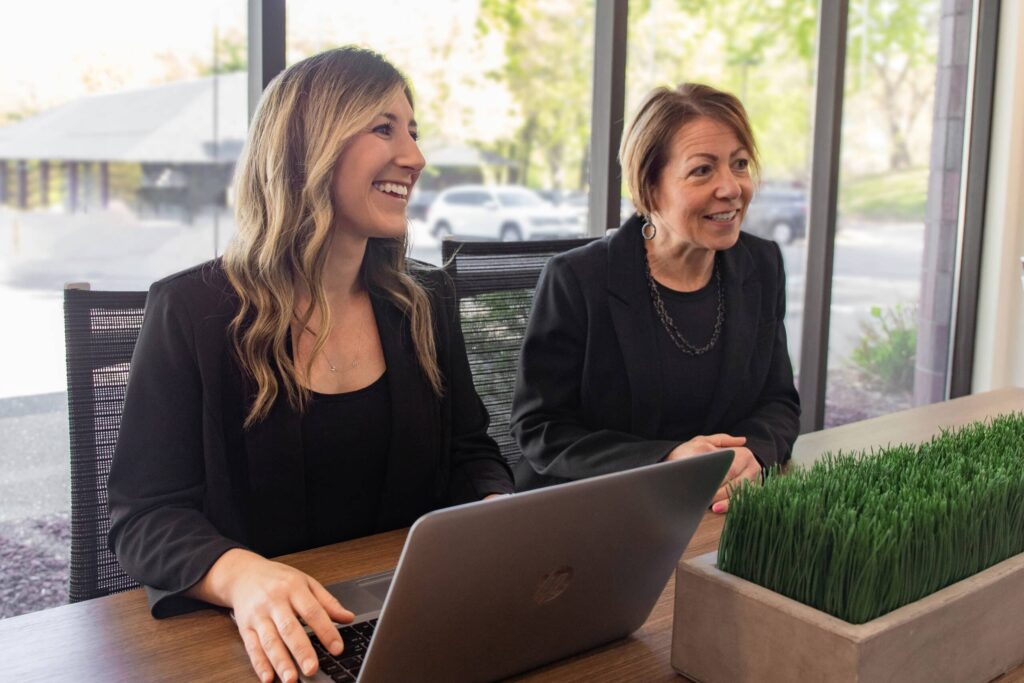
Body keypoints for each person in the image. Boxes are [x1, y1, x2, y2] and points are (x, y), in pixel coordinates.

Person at [107, 47, 513, 683]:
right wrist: (240, 575)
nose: (414, 156)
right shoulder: (191, 310)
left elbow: (470, 452)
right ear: (306, 147)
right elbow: (144, 515)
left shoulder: (425, 300)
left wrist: (495, 508)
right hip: (262, 647)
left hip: (411, 620)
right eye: (383, 128)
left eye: (413, 130)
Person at [510, 82, 800, 507]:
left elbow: (777, 401)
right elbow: (541, 429)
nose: (731, 188)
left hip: (716, 511)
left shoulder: (762, 264)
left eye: (739, 164)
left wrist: (752, 454)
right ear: (649, 186)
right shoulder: (577, 279)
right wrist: (666, 460)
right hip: (598, 513)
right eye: (703, 170)